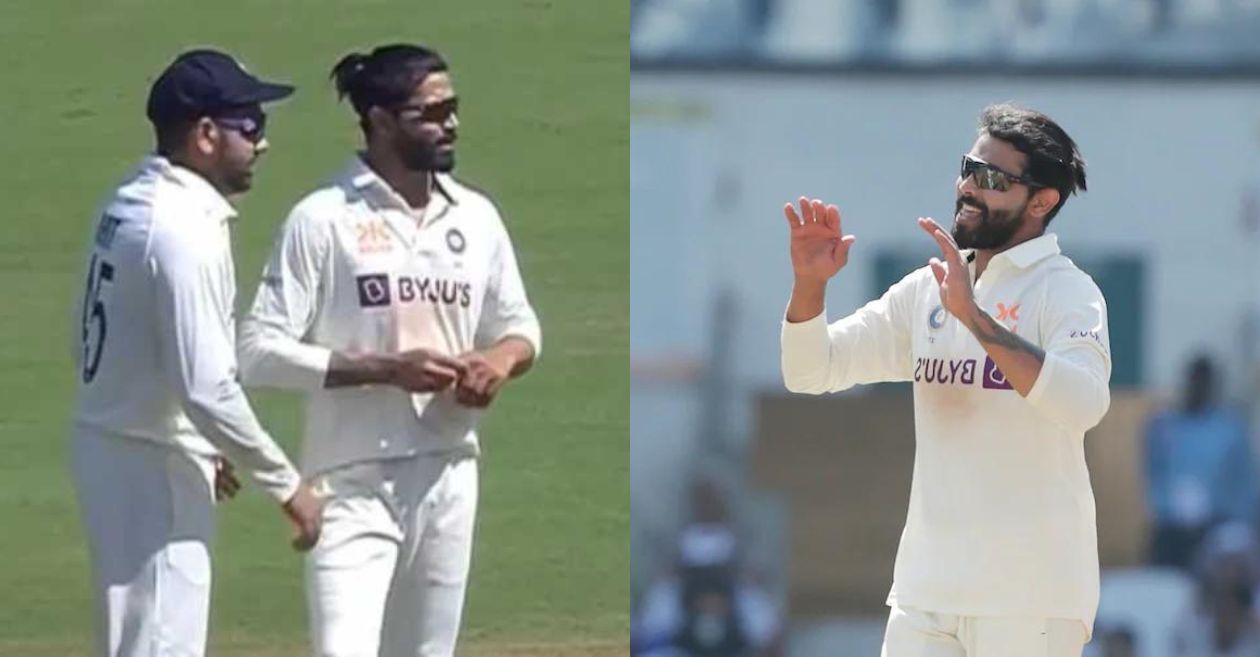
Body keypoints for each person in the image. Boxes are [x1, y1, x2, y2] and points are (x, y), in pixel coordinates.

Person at [237, 43, 542, 657]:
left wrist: (497, 363)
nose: (449, 124)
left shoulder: (476, 217)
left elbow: (521, 327)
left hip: (449, 470)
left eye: (452, 109)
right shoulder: (323, 219)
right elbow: (257, 350)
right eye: (429, 113)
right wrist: (383, 369)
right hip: (351, 481)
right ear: (378, 120)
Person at [780, 104, 1109, 657]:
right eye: (967, 168)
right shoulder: (927, 290)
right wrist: (809, 286)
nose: (967, 188)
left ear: (1042, 201)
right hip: (926, 592)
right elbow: (811, 371)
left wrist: (976, 321)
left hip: (1031, 598)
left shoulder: (1067, 293)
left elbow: (1084, 404)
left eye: (991, 179)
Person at [69, 49, 323, 657]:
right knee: (159, 642)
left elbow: (135, 339)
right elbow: (208, 386)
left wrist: (198, 442)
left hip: (120, 443)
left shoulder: (133, 196)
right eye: (250, 127)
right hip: (148, 463)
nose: (262, 144)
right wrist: (289, 487)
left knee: (138, 637)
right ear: (205, 134)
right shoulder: (182, 232)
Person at [1144, 354, 1258, 570]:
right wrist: (1165, 509)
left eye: (1204, 383)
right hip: (1172, 527)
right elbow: (1153, 472)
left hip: (1218, 526)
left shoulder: (1230, 428)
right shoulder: (1164, 426)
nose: (1198, 388)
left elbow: (1245, 484)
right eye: (1194, 382)